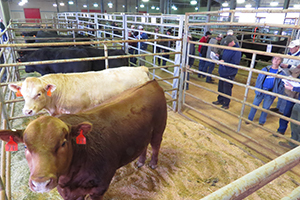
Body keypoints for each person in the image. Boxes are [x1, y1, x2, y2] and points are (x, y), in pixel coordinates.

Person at [271, 39, 300, 135]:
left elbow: (296, 70)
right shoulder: (288, 54)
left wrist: (289, 66)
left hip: (295, 87)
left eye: (293, 48)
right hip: (288, 82)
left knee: (295, 113)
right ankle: (281, 130)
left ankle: (294, 137)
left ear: (297, 47)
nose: (291, 49)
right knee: (287, 107)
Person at [246, 56, 285, 125]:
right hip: (261, 90)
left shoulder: (281, 72)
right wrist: (257, 89)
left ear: (280, 62)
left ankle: (261, 121)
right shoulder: (265, 69)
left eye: (278, 59)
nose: (276, 60)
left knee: (266, 108)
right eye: (275, 58)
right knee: (255, 105)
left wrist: (276, 92)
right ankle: (249, 118)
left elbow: (282, 84)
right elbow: (258, 80)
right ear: (272, 60)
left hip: (270, 92)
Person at [212, 37, 241, 109]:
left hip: (229, 72)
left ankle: (226, 103)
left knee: (227, 89)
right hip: (223, 71)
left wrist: (225, 63)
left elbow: (235, 62)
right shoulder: (228, 48)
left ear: (232, 42)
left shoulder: (237, 50)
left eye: (228, 44)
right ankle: (220, 100)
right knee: (221, 87)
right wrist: (219, 56)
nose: (227, 46)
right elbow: (224, 56)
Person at [279, 83, 300, 149]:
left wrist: (293, 88)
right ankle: (293, 142)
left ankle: (297, 146)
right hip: (298, 101)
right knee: (294, 122)